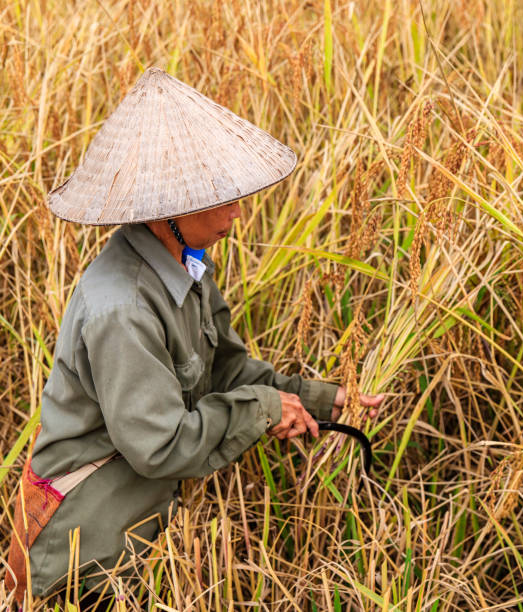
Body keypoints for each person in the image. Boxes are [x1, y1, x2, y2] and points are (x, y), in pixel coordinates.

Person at [6, 68, 383, 605]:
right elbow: (158, 448)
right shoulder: (124, 309)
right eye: (221, 196)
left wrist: (321, 398)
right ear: (173, 207)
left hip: (136, 531)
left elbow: (225, 369)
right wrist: (262, 409)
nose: (237, 210)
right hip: (85, 551)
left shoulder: (186, 267)